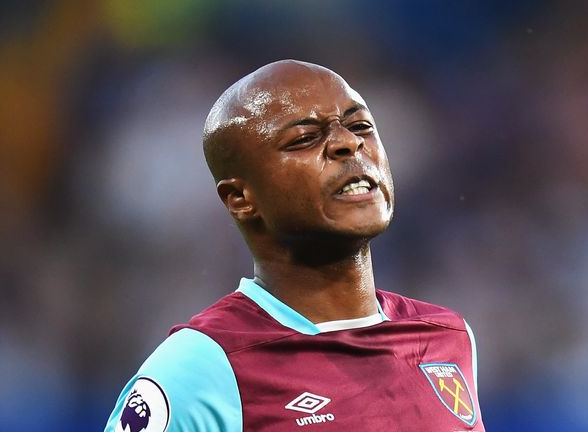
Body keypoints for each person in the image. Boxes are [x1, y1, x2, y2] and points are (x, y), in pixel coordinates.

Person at [105, 60, 485, 431]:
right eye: (305, 138)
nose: (347, 143)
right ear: (240, 197)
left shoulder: (447, 339)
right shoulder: (204, 367)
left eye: (360, 125)